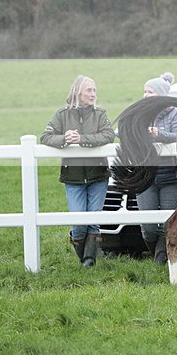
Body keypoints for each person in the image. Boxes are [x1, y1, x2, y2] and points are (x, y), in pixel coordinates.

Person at [41, 75, 115, 267]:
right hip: (72, 177)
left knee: (93, 220)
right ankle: (84, 257)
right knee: (79, 223)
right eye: (89, 90)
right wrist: (65, 138)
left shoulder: (100, 114)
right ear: (77, 92)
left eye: (94, 90)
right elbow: (46, 137)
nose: (93, 94)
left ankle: (89, 261)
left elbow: (108, 135)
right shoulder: (62, 115)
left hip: (98, 175)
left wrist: (82, 138)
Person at [136, 72, 177, 264]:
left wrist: (159, 133)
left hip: (170, 176)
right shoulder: (138, 115)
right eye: (145, 91)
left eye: (151, 92)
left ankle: (160, 260)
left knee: (168, 222)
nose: (146, 95)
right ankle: (155, 250)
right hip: (144, 176)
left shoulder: (176, 115)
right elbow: (125, 131)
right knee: (147, 226)